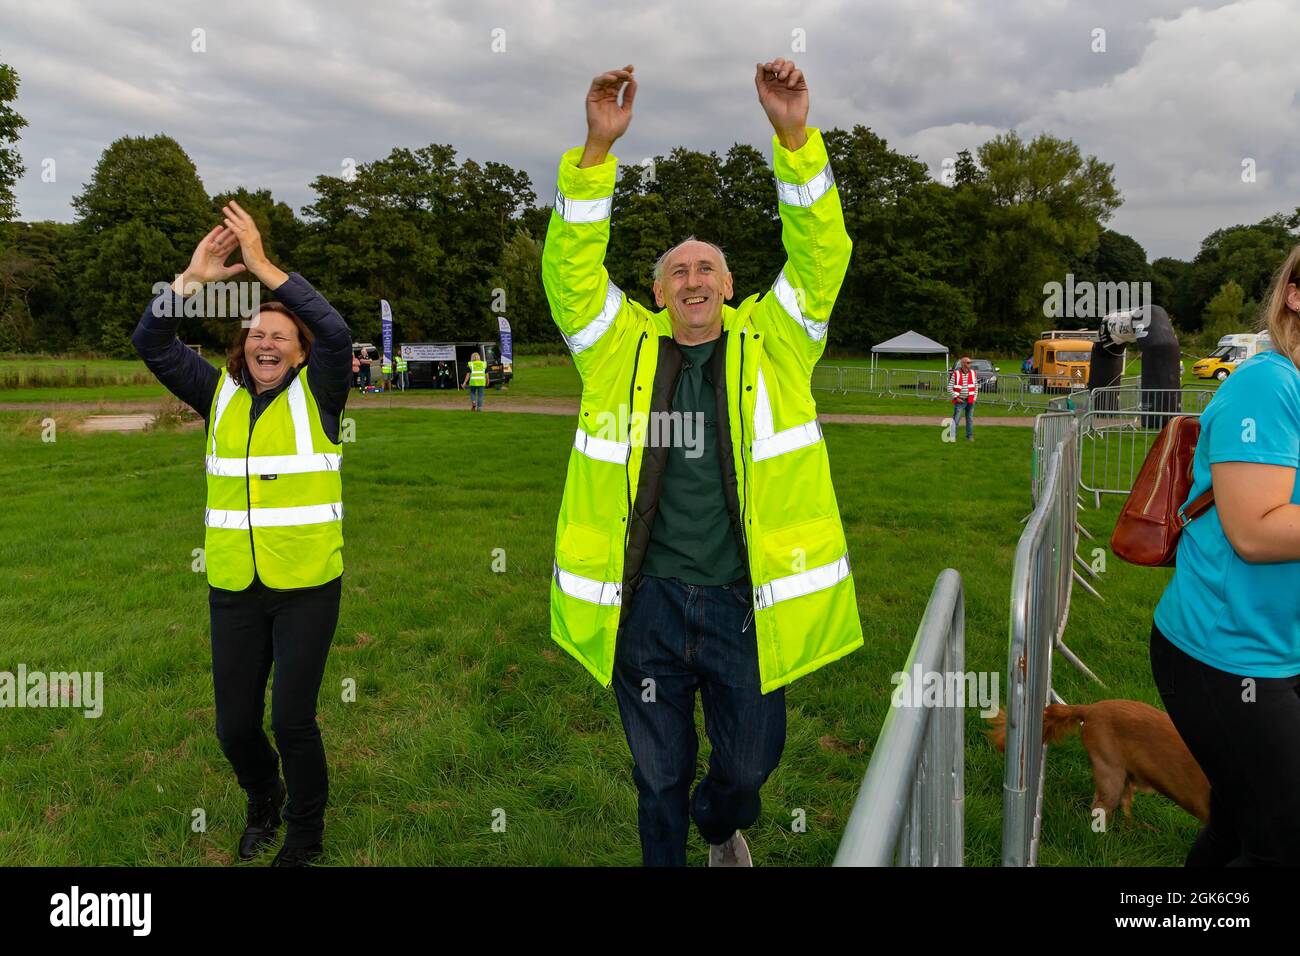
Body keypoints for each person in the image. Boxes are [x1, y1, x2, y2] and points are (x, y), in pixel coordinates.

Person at [542, 60, 862, 867]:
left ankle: (722, 825)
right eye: (677, 269)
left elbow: (821, 254)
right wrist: (594, 150)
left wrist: (793, 135)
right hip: (644, 605)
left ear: (729, 286)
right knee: (657, 781)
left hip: (742, 605)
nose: (692, 278)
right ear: (657, 292)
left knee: (749, 765)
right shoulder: (616, 349)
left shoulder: (778, 342)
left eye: (706, 268)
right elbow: (571, 275)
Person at [131, 200, 352, 867]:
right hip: (233, 584)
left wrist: (259, 266)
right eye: (256, 332)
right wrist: (192, 281)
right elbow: (151, 341)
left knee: (291, 719)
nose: (267, 341)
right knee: (234, 727)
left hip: (307, 584)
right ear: (242, 346)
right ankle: (263, 799)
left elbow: (337, 331)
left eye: (281, 335)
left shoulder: (321, 395)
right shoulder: (216, 393)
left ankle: (305, 838)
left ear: (300, 352)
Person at [1150, 245, 1300, 866]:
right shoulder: (1267, 385)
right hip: (1226, 657)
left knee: (1243, 823)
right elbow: (1257, 532)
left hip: (1282, 646)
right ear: (1295, 294)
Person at [949, 355, 978, 441]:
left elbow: (976, 386)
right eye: (968, 362)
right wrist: (955, 398)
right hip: (960, 400)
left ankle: (970, 436)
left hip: (970, 400)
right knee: (956, 419)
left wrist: (974, 398)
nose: (970, 364)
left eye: (970, 362)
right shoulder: (956, 374)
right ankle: (952, 436)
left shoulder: (973, 373)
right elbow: (949, 387)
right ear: (963, 364)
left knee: (970, 419)